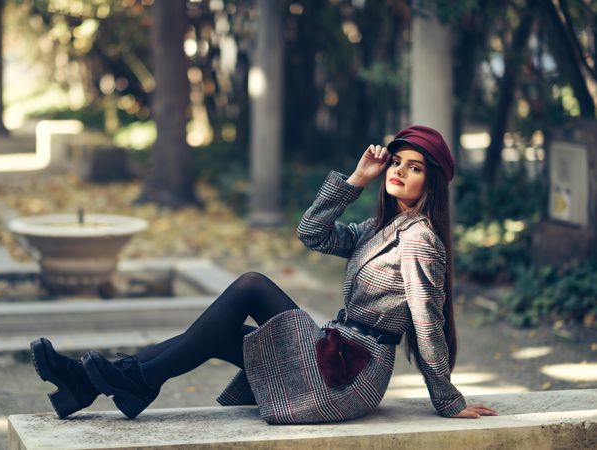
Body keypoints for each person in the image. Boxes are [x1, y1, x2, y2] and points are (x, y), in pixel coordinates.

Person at [30, 124, 497, 424]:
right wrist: (356, 180)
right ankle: (87, 385)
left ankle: (122, 381)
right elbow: (312, 233)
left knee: (252, 284)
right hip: (335, 353)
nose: (398, 171)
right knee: (216, 334)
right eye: (396, 161)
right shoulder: (382, 227)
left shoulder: (419, 240)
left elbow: (427, 321)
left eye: (413, 169)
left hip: (349, 373)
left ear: (429, 183)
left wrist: (448, 399)